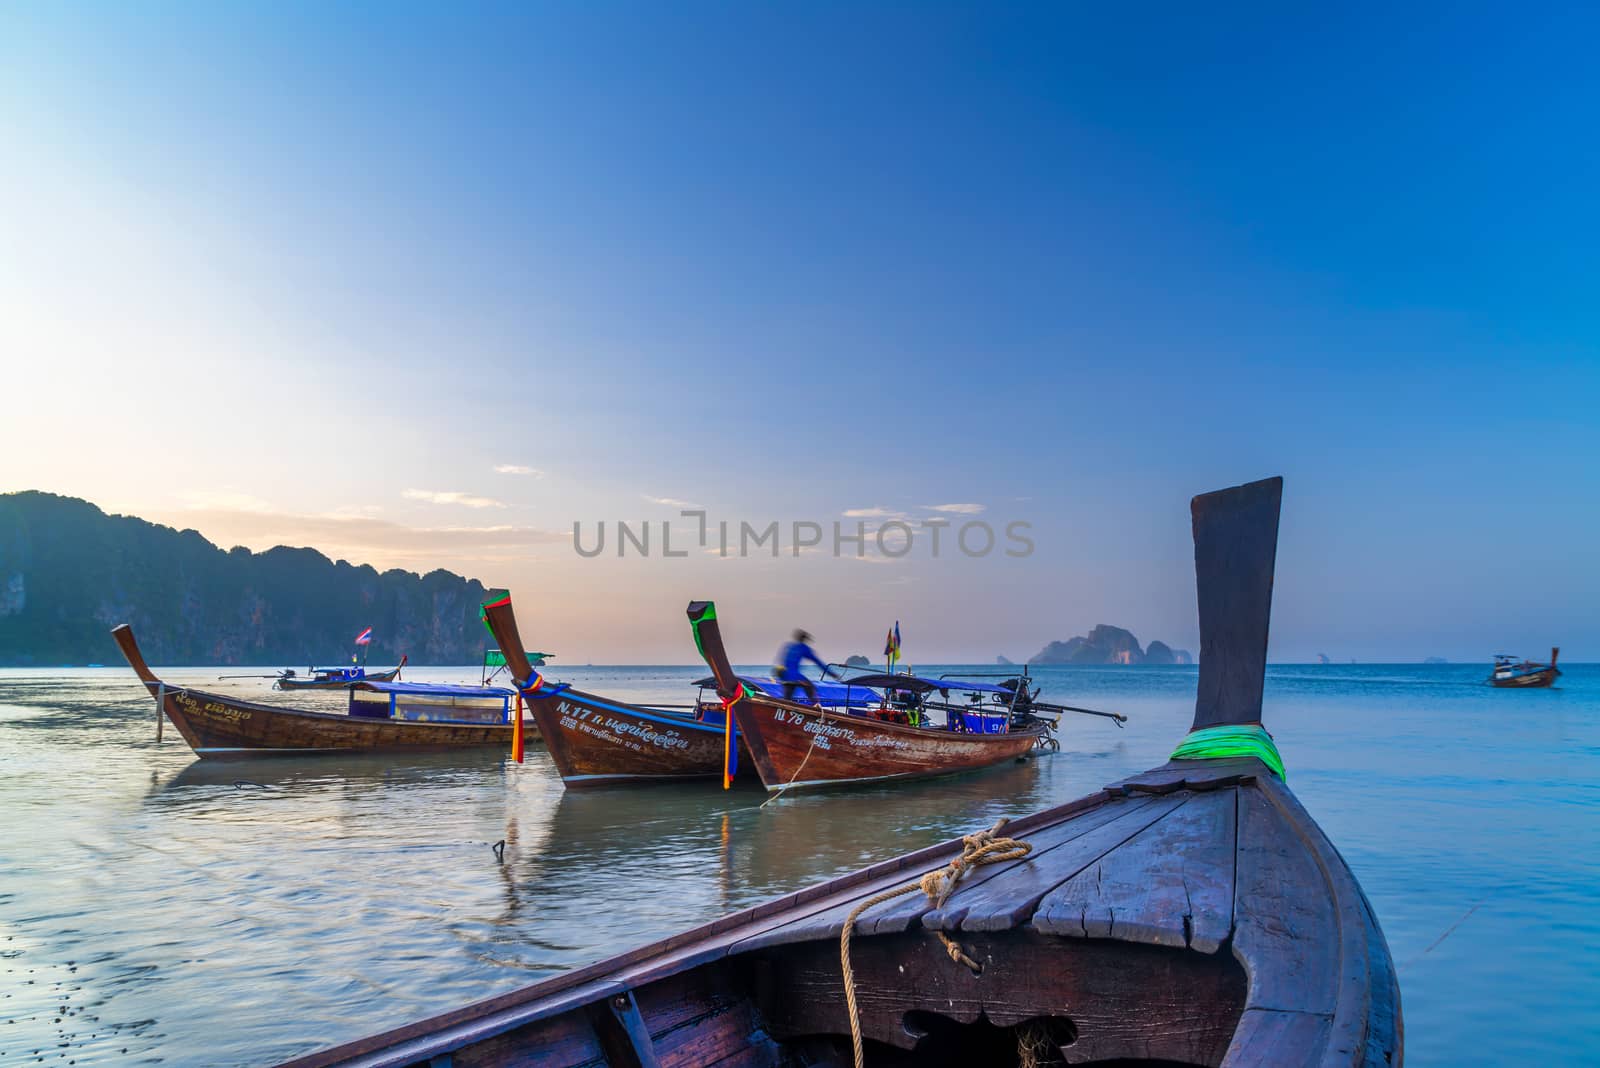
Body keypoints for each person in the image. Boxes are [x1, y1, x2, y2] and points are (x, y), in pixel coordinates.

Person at [774, 629, 838, 704]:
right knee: (810, 687)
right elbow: (818, 662)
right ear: (804, 639)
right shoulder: (804, 648)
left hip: (783, 675)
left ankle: (783, 709)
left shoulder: (788, 646)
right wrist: (831, 673)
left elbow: (781, 660)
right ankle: (816, 709)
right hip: (795, 677)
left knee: (787, 698)